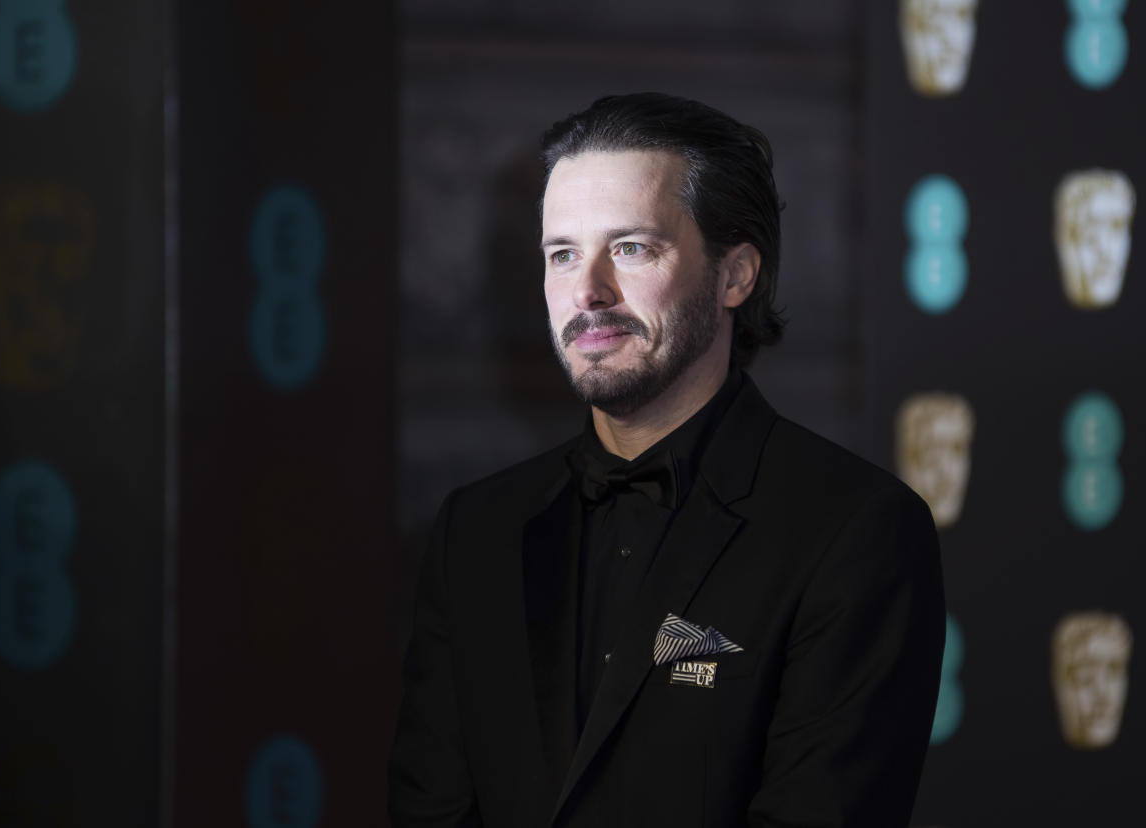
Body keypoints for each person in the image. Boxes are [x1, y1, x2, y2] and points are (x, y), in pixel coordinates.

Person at [389, 92, 945, 828]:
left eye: (631, 248)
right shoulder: (476, 529)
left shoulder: (855, 532)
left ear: (735, 274)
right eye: (563, 254)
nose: (587, 292)